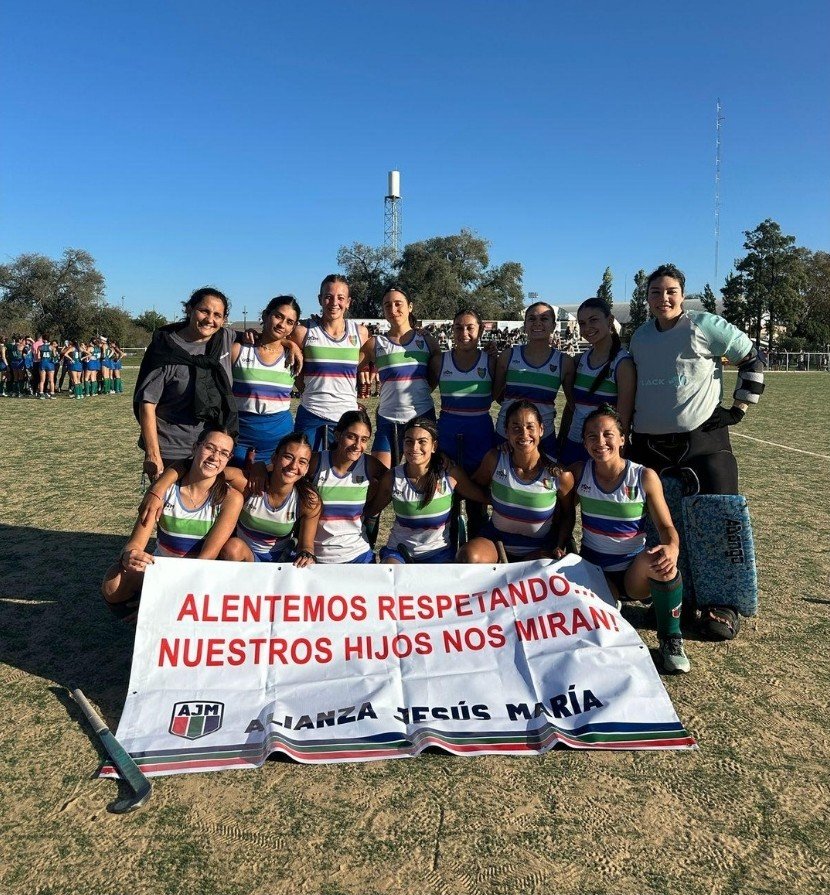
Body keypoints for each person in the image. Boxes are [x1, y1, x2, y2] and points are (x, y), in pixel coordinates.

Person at [629, 263, 764, 640]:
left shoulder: (705, 325)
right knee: (659, 526)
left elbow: (752, 358)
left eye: (670, 291)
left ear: (682, 294)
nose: (663, 298)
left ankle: (723, 603)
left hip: (703, 443)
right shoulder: (639, 337)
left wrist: (738, 408)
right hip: (650, 445)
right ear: (648, 297)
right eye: (655, 292)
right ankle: (673, 594)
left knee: (719, 522)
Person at [557, 406, 690, 674]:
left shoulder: (643, 476)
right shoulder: (579, 473)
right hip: (594, 571)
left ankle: (671, 639)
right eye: (592, 436)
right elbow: (566, 516)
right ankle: (609, 606)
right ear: (584, 442)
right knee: (601, 630)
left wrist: (673, 547)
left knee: (661, 562)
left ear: (622, 438)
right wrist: (562, 545)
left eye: (608, 434)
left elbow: (666, 527)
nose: (600, 442)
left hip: (634, 573)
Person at [101, 427, 243, 623]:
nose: (215, 457)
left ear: (229, 459)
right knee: (113, 582)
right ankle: (142, 623)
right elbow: (135, 544)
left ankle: (167, 617)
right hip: (163, 569)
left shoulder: (230, 498)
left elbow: (206, 558)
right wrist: (129, 556)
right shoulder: (162, 491)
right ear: (195, 448)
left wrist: (167, 601)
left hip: (200, 575)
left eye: (223, 453)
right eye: (209, 448)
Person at [148, 432, 321, 567]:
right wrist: (158, 488)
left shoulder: (308, 500)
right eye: (288, 457)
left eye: (302, 462)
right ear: (274, 458)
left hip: (279, 563)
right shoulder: (248, 484)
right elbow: (202, 467)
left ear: (307, 468)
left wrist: (306, 555)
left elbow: (306, 546)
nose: (293, 466)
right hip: (242, 557)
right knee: (233, 547)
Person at [133, 287, 238, 482]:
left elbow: (264, 339)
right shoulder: (165, 348)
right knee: (165, 509)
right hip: (171, 449)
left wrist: (291, 346)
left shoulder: (224, 339)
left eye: (217, 315)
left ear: (223, 320)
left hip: (210, 448)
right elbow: (147, 404)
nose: (210, 319)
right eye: (204, 311)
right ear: (189, 309)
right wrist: (152, 453)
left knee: (202, 508)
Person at [458, 400, 566, 563]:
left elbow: (567, 515)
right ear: (506, 432)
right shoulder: (495, 459)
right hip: (496, 542)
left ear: (541, 429)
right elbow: (475, 487)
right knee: (469, 557)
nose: (524, 434)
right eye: (516, 428)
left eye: (530, 427)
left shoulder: (559, 474)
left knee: (532, 570)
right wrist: (492, 498)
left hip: (539, 548)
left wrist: (560, 545)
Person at [373, 417, 488, 564]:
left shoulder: (450, 474)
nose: (414, 447)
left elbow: (480, 495)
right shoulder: (393, 477)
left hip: (439, 553)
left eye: (422, 442)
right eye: (409, 441)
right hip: (399, 551)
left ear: (434, 446)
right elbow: (372, 510)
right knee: (391, 574)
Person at [359, 286, 439, 467]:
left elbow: (436, 377)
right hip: (388, 419)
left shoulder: (427, 341)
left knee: (423, 475)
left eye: (398, 304)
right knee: (380, 477)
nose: (393, 309)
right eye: (387, 305)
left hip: (422, 417)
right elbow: (346, 371)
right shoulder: (375, 343)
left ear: (410, 306)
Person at [291, 275, 370, 450]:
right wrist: (289, 343)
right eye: (328, 296)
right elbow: (276, 342)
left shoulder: (361, 333)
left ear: (348, 302)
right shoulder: (303, 331)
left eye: (340, 298)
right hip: (311, 414)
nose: (334, 302)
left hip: (346, 417)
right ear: (320, 299)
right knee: (307, 472)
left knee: (340, 474)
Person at [559, 298, 635, 465]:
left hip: (603, 449)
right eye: (582, 323)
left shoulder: (622, 364)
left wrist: (619, 455)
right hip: (574, 444)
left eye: (594, 320)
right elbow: (571, 407)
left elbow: (623, 419)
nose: (587, 328)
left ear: (609, 320)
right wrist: (562, 439)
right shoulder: (579, 360)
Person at [493, 302, 574, 459]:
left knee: (544, 483)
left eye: (544, 318)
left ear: (554, 325)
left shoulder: (564, 362)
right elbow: (495, 395)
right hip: (506, 434)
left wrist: (564, 435)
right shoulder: (508, 356)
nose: (537, 323)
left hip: (545, 436)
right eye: (531, 318)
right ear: (525, 325)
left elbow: (572, 405)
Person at [308, 409, 388, 563]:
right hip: (317, 557)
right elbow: (281, 470)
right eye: (351, 437)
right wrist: (260, 468)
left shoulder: (369, 465)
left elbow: (395, 480)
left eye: (364, 439)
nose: (357, 445)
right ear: (338, 435)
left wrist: (372, 508)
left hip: (358, 555)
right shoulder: (317, 462)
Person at [230, 295, 301, 465]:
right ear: (265, 315)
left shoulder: (294, 358)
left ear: (292, 328)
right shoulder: (239, 350)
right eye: (278, 316)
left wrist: (292, 345)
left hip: (279, 444)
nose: (282, 324)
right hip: (240, 440)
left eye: (289, 322)